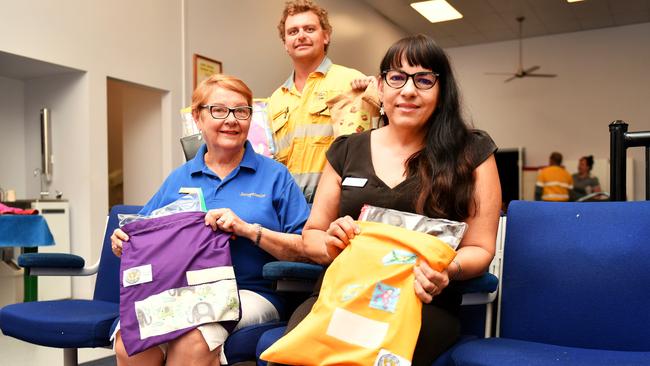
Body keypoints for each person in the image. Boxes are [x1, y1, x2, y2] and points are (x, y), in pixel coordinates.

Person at [277, 34, 502, 364]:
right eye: (396, 78)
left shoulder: (472, 152)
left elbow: (481, 248)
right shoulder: (345, 150)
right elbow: (312, 235)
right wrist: (330, 242)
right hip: (340, 295)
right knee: (297, 357)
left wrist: (447, 269)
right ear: (380, 87)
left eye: (424, 79)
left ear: (441, 91)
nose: (408, 90)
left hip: (421, 302)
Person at [110, 74, 311, 366]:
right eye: (219, 110)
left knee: (193, 338)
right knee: (130, 344)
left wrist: (248, 230)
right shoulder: (179, 178)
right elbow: (141, 230)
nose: (231, 119)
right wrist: (124, 239)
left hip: (250, 291)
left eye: (241, 111)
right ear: (197, 117)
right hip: (176, 289)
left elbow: (306, 247)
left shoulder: (275, 176)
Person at [268, 0, 366, 203]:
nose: (301, 35)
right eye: (293, 31)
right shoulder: (276, 99)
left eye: (309, 29)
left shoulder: (351, 81)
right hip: (287, 209)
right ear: (285, 43)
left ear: (326, 36)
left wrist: (375, 91)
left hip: (335, 207)